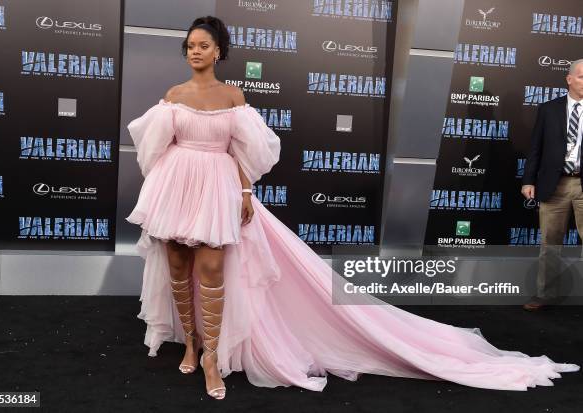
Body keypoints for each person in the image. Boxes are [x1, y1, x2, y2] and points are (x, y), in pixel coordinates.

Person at [126, 16, 579, 400]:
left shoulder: (234, 98)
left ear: (219, 50)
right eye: (189, 46)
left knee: (211, 272)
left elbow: (244, 153)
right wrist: (168, 186)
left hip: (218, 189)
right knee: (179, 269)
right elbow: (155, 147)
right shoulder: (174, 94)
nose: (195, 52)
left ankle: (211, 359)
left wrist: (245, 193)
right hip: (177, 188)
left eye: (203, 45)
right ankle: (189, 344)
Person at [522, 59, 583, 311]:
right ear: (568, 79)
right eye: (581, 76)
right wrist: (528, 180)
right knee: (550, 244)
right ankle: (544, 294)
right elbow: (535, 147)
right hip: (553, 185)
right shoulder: (548, 109)